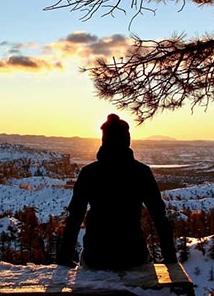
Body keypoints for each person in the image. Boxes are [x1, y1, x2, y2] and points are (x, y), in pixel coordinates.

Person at [58, 114, 178, 269]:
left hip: (96, 256)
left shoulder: (89, 173)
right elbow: (159, 216)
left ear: (103, 141)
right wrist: (170, 259)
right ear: (127, 140)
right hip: (134, 256)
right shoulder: (141, 172)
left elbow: (74, 217)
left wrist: (64, 260)